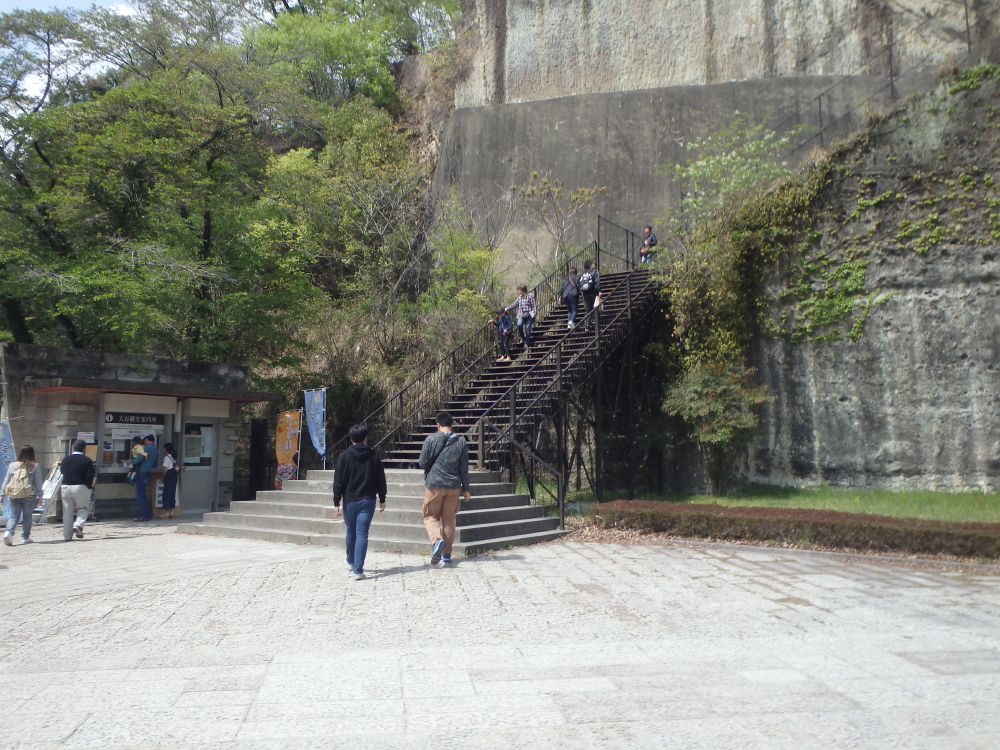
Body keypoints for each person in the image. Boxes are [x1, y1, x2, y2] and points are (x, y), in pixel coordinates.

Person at [332, 423, 387, 580]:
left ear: (351, 439)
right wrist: (382, 498)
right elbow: (380, 478)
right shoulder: (373, 456)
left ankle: (350, 560)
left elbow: (338, 481)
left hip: (349, 500)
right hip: (368, 500)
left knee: (351, 530)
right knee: (362, 533)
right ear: (365, 438)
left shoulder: (344, 456)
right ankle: (358, 570)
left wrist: (336, 501)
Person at [418, 411, 470, 565]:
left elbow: (422, 463)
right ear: (452, 424)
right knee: (449, 519)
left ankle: (436, 541)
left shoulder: (431, 439)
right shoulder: (461, 442)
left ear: (438, 425)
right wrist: (466, 489)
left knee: (430, 516)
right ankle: (446, 555)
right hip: (454, 486)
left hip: (434, 485)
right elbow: (464, 468)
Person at [2, 445, 42, 546]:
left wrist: (2, 494)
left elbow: (7, 480)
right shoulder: (34, 466)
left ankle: (8, 532)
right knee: (27, 516)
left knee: (14, 516)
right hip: (29, 495)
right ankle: (25, 537)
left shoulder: (13, 465)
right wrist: (40, 495)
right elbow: (38, 483)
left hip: (14, 494)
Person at [61, 439, 95, 541]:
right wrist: (88, 486)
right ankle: (78, 525)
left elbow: (62, 471)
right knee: (83, 508)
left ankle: (67, 536)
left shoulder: (65, 459)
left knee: (67, 512)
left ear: (72, 448)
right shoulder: (87, 460)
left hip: (65, 486)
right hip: (80, 486)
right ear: (84, 449)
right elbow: (90, 475)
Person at [133, 434, 158, 521]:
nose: (143, 441)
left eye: (144, 439)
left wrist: (129, 461)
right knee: (143, 494)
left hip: (141, 473)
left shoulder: (146, 448)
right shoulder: (155, 449)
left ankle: (144, 515)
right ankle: (147, 514)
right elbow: (155, 464)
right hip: (148, 473)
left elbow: (137, 460)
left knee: (140, 495)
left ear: (147, 439)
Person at [505, 284, 537, 348]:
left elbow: (534, 305)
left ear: (523, 290)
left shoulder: (530, 296)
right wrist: (507, 308)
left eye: (519, 290)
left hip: (529, 315)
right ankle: (524, 338)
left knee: (527, 328)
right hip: (521, 314)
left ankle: (526, 343)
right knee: (519, 325)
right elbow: (515, 304)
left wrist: (534, 313)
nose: (519, 291)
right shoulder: (520, 297)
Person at [579, 260, 601, 329]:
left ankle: (586, 324)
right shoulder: (594, 272)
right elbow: (597, 282)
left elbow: (579, 283)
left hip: (585, 293)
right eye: (593, 264)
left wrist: (581, 290)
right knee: (596, 308)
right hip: (593, 292)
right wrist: (598, 291)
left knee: (587, 310)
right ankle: (596, 322)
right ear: (590, 265)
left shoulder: (583, 274)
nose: (594, 265)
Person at [161, 443, 180, 519]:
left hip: (169, 476)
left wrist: (163, 477)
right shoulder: (173, 456)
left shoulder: (167, 458)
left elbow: (165, 469)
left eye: (163, 448)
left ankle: (166, 513)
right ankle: (171, 512)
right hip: (174, 476)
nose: (162, 450)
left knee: (166, 494)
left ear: (166, 449)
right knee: (172, 493)